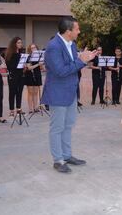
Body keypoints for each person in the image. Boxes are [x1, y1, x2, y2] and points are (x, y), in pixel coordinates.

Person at [41, 16, 97, 173]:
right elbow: (60, 71)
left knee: (68, 126)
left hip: (71, 92)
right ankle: (58, 160)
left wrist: (83, 58)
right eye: (77, 29)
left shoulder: (71, 44)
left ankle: (66, 155)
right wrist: (81, 61)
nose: (79, 31)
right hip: (58, 93)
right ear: (68, 31)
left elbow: (72, 64)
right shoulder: (54, 47)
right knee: (57, 127)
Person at [5, 37, 25, 117]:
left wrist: (24, 65)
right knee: (12, 92)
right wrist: (18, 64)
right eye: (18, 43)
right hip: (13, 75)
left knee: (19, 92)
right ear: (14, 44)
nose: (20, 44)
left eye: (21, 42)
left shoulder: (21, 52)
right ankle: (11, 110)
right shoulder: (10, 53)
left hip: (21, 75)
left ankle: (19, 108)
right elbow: (9, 66)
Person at [24, 43, 43, 113]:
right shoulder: (28, 57)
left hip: (37, 74)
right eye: (32, 48)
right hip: (30, 75)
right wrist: (38, 64)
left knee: (36, 92)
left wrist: (41, 65)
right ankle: (30, 109)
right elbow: (29, 67)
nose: (34, 49)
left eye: (35, 48)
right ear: (30, 50)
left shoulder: (39, 57)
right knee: (30, 92)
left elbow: (41, 68)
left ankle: (36, 107)